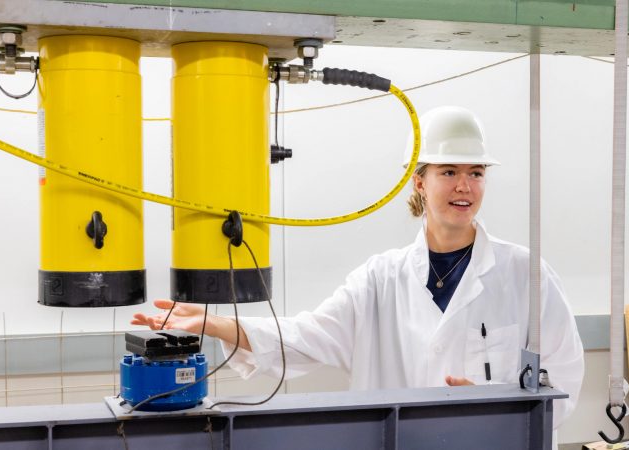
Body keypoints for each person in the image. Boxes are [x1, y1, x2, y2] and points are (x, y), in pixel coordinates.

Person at [132, 105, 584, 433]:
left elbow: (563, 377)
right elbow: (308, 337)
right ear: (419, 181)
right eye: (448, 171)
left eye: (476, 172)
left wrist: (497, 407)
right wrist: (217, 323)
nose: (464, 185)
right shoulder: (379, 279)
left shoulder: (526, 274)